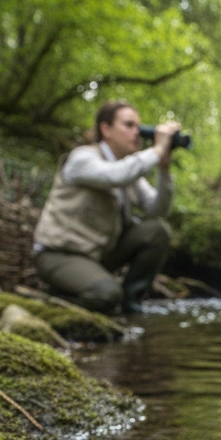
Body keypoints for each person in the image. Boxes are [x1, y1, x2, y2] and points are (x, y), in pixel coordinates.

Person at [33, 100, 182, 314]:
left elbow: (157, 209)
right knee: (106, 295)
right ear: (106, 129)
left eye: (139, 128)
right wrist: (157, 149)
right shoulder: (82, 158)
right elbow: (115, 175)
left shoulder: (129, 168)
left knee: (157, 231)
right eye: (129, 126)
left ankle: (130, 303)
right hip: (59, 254)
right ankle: (54, 303)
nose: (136, 133)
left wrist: (164, 169)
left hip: (98, 254)